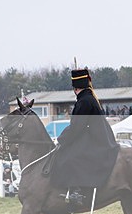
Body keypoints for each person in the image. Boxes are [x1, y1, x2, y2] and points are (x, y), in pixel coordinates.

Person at [50, 68, 120, 206]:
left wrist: (61, 139)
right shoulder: (88, 98)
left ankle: (77, 191)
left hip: (96, 139)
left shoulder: (84, 101)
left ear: (75, 88)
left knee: (70, 156)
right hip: (96, 136)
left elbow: (77, 127)